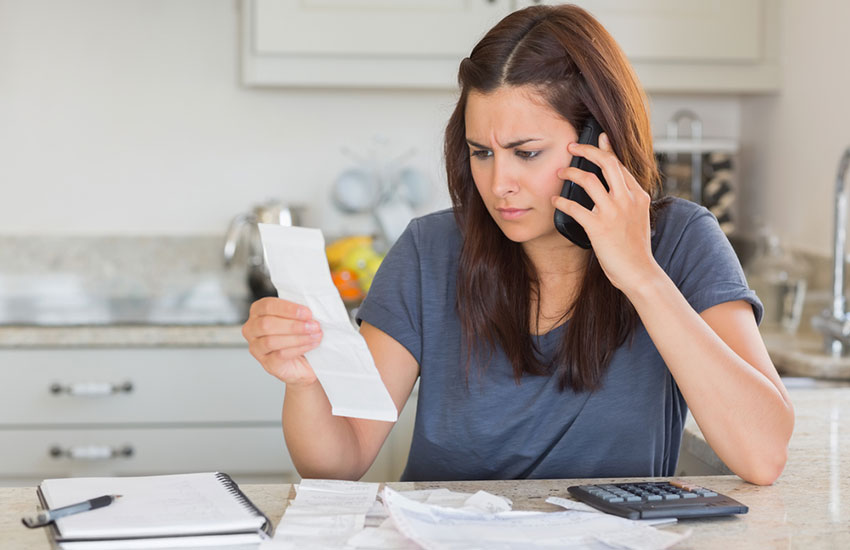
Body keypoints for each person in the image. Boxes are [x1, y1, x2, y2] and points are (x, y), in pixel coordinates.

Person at [241, 4, 794, 485]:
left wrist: (641, 276)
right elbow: (339, 462)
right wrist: (306, 383)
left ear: (597, 145)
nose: (498, 183)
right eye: (481, 152)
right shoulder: (428, 252)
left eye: (526, 153)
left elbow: (763, 455)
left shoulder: (680, 242)